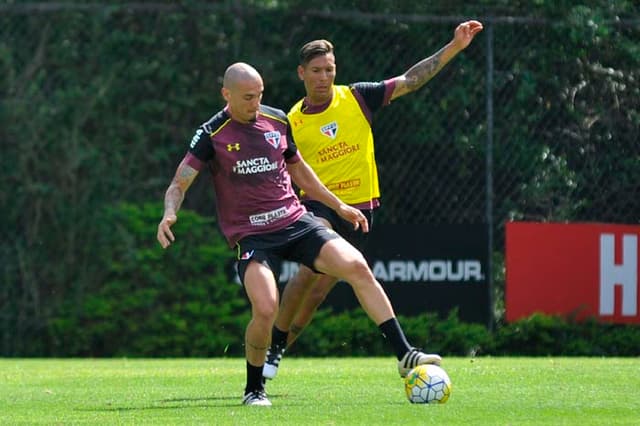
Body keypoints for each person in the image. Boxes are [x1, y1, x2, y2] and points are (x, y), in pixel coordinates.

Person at [156, 62, 441, 407]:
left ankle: (405, 354)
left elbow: (301, 172)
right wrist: (170, 213)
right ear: (226, 95)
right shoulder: (212, 134)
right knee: (266, 308)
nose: (255, 103)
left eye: (260, 95)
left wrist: (339, 206)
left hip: (295, 222)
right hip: (253, 236)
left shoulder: (276, 120)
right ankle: (254, 389)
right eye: (248, 97)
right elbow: (179, 182)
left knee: (357, 267)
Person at [263, 20, 484, 380]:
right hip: (318, 210)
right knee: (306, 273)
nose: (323, 76)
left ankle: (276, 348)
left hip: (360, 212)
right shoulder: (290, 122)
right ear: (301, 73)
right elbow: (283, 173)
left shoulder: (357, 97)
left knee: (316, 296)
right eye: (316, 71)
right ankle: (274, 349)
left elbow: (411, 80)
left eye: (329, 69)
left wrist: (454, 47)